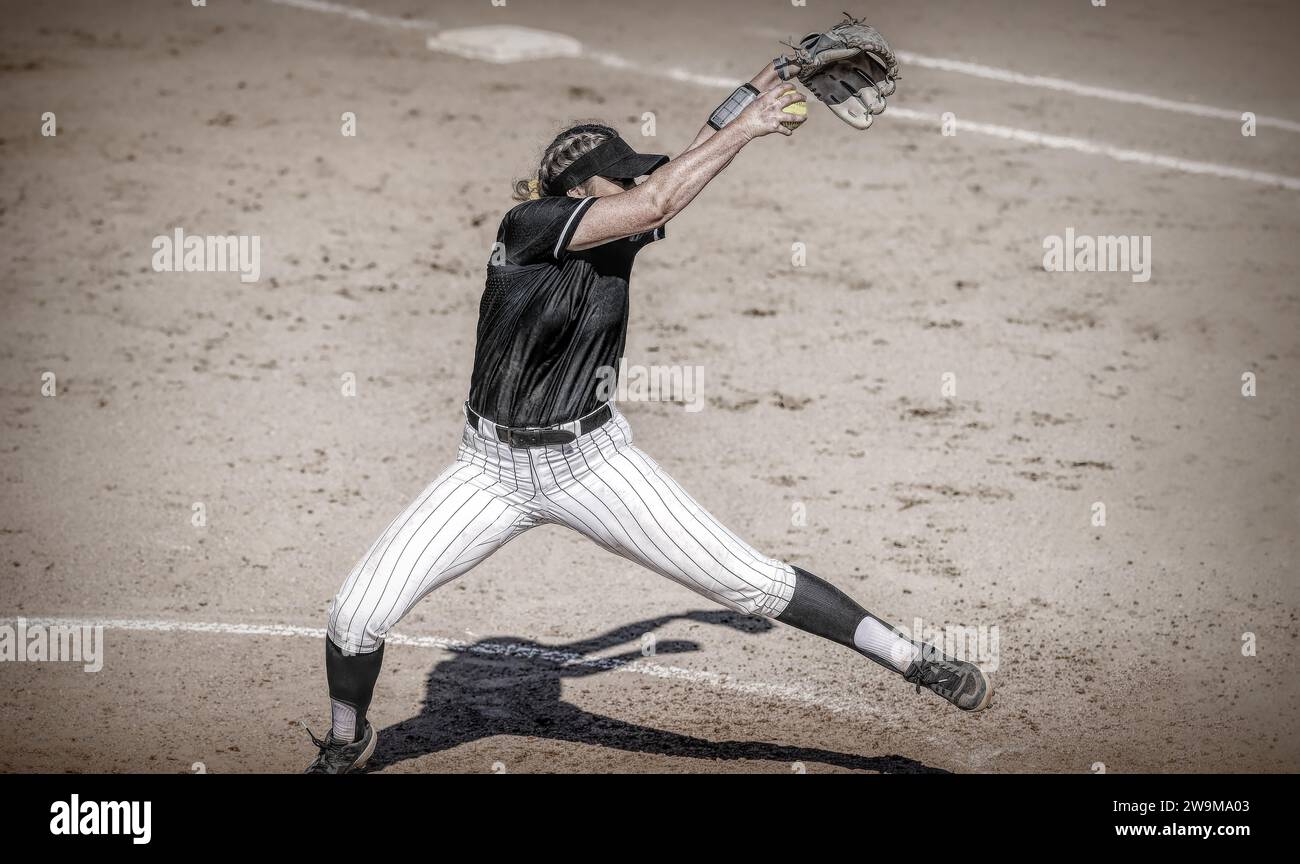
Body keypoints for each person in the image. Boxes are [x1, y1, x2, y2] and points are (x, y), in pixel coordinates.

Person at [305, 60, 992, 774]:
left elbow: (681, 169)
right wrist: (753, 130)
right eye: (619, 179)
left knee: (749, 583)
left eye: (634, 177)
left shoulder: (613, 228)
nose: (633, 186)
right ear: (577, 195)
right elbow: (658, 201)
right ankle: (347, 737)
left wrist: (767, 80)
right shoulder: (531, 226)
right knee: (354, 617)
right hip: (489, 473)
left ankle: (915, 660)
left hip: (594, 464)